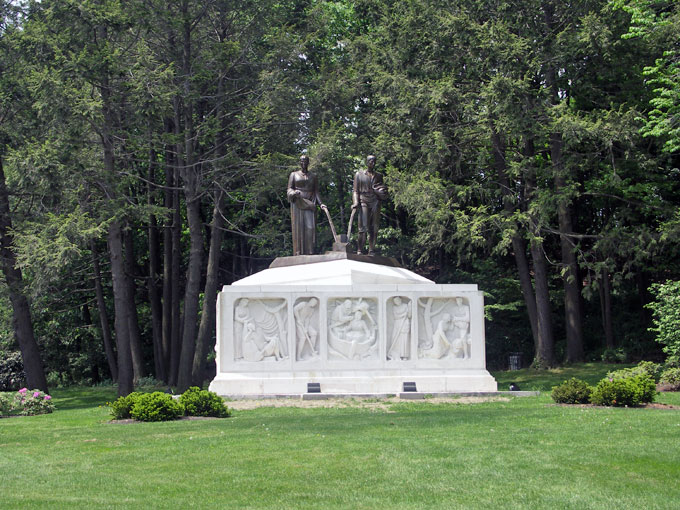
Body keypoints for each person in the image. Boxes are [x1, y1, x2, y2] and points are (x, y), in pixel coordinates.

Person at [287, 155, 327, 255]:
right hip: (298, 203)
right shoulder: (294, 174)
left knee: (310, 227)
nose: (303, 163)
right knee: (299, 227)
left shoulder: (313, 176)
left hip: (310, 203)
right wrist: (293, 193)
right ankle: (298, 252)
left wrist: (321, 203)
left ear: (308, 163)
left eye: (305, 161)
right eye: (302, 161)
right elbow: (289, 189)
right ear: (299, 162)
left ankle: (310, 251)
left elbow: (316, 192)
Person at [352, 155, 387, 255]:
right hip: (364, 200)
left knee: (374, 228)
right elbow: (355, 191)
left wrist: (382, 193)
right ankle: (359, 250)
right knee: (363, 228)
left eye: (374, 161)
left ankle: (371, 250)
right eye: (371, 161)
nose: (373, 163)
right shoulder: (359, 174)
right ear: (367, 162)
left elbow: (382, 189)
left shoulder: (379, 176)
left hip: (375, 201)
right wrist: (355, 202)